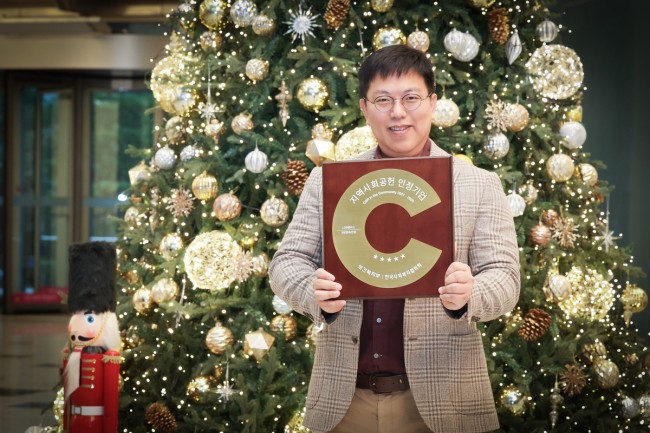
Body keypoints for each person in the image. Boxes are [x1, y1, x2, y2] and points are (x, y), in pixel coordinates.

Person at [269, 44, 520, 433]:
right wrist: (312, 292)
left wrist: (471, 294)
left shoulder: (479, 184)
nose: (398, 112)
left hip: (444, 401)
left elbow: (505, 276)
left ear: (432, 102)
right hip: (344, 401)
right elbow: (286, 263)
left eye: (411, 98)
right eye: (383, 100)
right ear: (365, 108)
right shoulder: (328, 182)